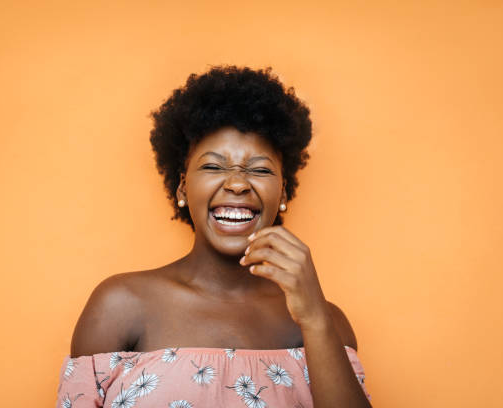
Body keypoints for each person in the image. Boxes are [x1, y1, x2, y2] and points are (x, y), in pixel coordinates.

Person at [55, 66, 372, 408]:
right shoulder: (119, 306)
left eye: (260, 169)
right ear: (181, 187)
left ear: (283, 192)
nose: (237, 183)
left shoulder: (325, 322)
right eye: (213, 166)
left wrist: (314, 317)